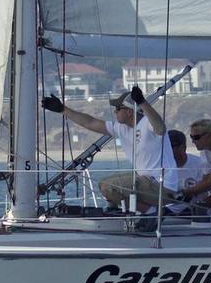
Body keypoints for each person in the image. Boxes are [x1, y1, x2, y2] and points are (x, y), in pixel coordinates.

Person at [42, 86, 177, 212]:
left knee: (109, 187)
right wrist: (63, 109)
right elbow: (90, 122)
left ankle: (151, 213)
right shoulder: (121, 128)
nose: (115, 111)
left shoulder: (148, 123)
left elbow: (160, 128)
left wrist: (142, 102)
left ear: (130, 111)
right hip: (146, 182)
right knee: (104, 185)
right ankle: (121, 213)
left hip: (162, 185)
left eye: (118, 108)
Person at [167, 129, 211, 216]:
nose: (165, 152)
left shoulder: (200, 164)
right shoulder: (161, 168)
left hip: (195, 213)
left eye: (169, 148)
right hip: (167, 213)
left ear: (182, 148)